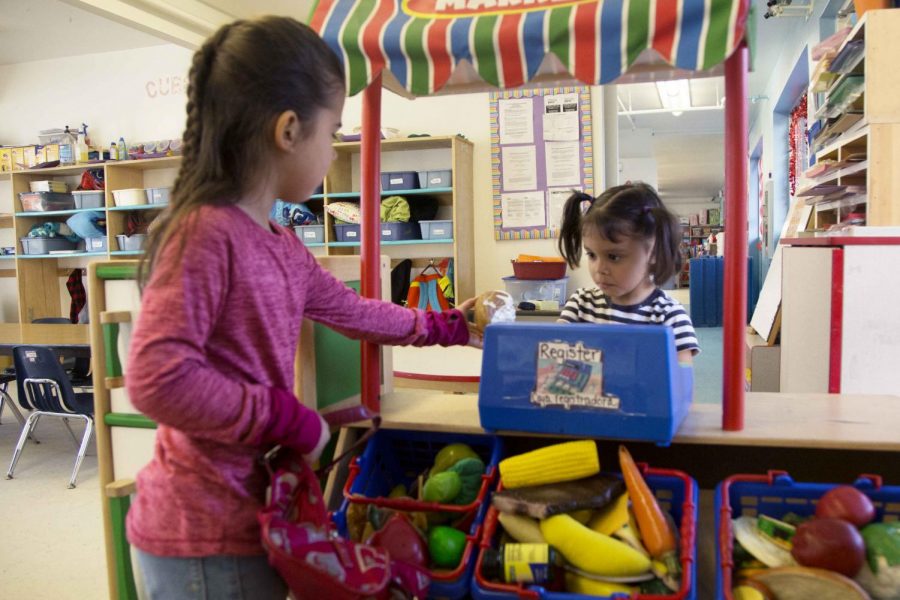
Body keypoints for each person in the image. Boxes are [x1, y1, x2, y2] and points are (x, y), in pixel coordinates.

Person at [126, 17, 478, 599]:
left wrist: (445, 326)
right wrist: (288, 420)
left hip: (255, 515)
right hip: (200, 535)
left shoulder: (282, 242)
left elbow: (352, 310)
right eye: (333, 131)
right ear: (289, 130)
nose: (335, 147)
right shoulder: (205, 234)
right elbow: (157, 378)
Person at [556, 183, 699, 363]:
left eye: (614, 257)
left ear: (654, 252)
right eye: (592, 255)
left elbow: (682, 387)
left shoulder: (671, 317)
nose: (599, 268)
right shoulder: (580, 305)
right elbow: (553, 360)